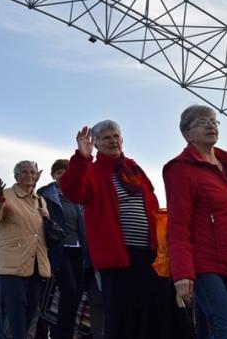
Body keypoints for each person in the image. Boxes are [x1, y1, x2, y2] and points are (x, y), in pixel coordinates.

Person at [61, 121, 185, 339]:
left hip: (150, 254)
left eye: (116, 136)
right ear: (96, 144)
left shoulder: (133, 169)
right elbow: (73, 191)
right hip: (118, 258)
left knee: (159, 311)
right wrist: (82, 158)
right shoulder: (93, 171)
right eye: (106, 138)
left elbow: (152, 202)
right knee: (123, 316)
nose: (113, 141)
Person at [164, 105, 227, 339]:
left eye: (213, 121)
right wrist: (182, 273)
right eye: (202, 122)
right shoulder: (180, 169)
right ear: (187, 134)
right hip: (206, 265)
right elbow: (178, 224)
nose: (210, 125)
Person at [0, 161, 51, 339]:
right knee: (16, 309)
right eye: (24, 172)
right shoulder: (6, 195)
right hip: (13, 263)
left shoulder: (40, 200)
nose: (29, 175)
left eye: (32, 172)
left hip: (37, 263)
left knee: (32, 308)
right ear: (16, 177)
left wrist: (47, 218)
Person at [37, 159, 88, 339]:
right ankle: (59, 334)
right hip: (59, 248)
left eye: (67, 172)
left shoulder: (78, 195)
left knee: (77, 293)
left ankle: (66, 332)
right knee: (69, 290)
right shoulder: (45, 194)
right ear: (53, 175)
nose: (63, 175)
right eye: (59, 172)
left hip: (79, 249)